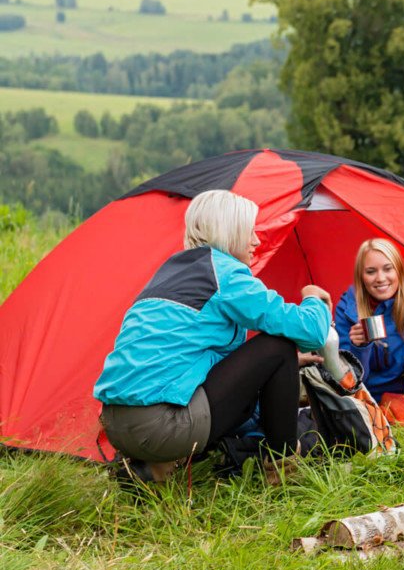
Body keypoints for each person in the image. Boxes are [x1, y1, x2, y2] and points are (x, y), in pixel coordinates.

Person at [94, 190, 332, 484]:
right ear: (229, 232)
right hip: (161, 427)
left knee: (274, 358)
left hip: (116, 427)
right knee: (278, 345)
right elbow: (310, 332)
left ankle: (151, 470)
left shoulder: (170, 271)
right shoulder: (225, 274)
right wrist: (314, 300)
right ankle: (283, 467)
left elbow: (200, 360)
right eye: (249, 232)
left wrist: (276, 372)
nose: (256, 241)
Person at [334, 238, 404, 403]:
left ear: (399, 270)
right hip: (363, 397)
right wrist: (360, 348)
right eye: (370, 272)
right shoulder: (347, 308)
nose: (380, 278)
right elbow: (348, 379)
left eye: (387, 269)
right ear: (361, 276)